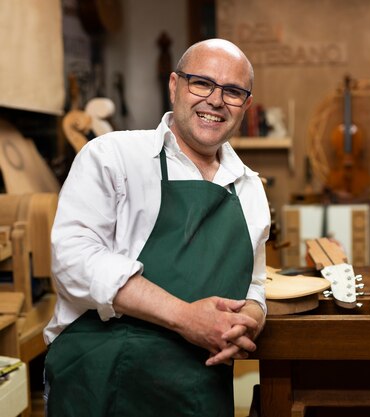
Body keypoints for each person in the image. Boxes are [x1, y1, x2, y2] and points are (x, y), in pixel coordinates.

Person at [43, 38, 270, 417]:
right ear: (174, 85)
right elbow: (74, 260)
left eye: (232, 91)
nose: (215, 100)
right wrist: (185, 317)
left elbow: (255, 285)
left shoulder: (250, 189)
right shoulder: (112, 156)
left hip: (198, 388)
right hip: (99, 379)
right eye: (201, 83)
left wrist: (247, 321)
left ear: (246, 105)